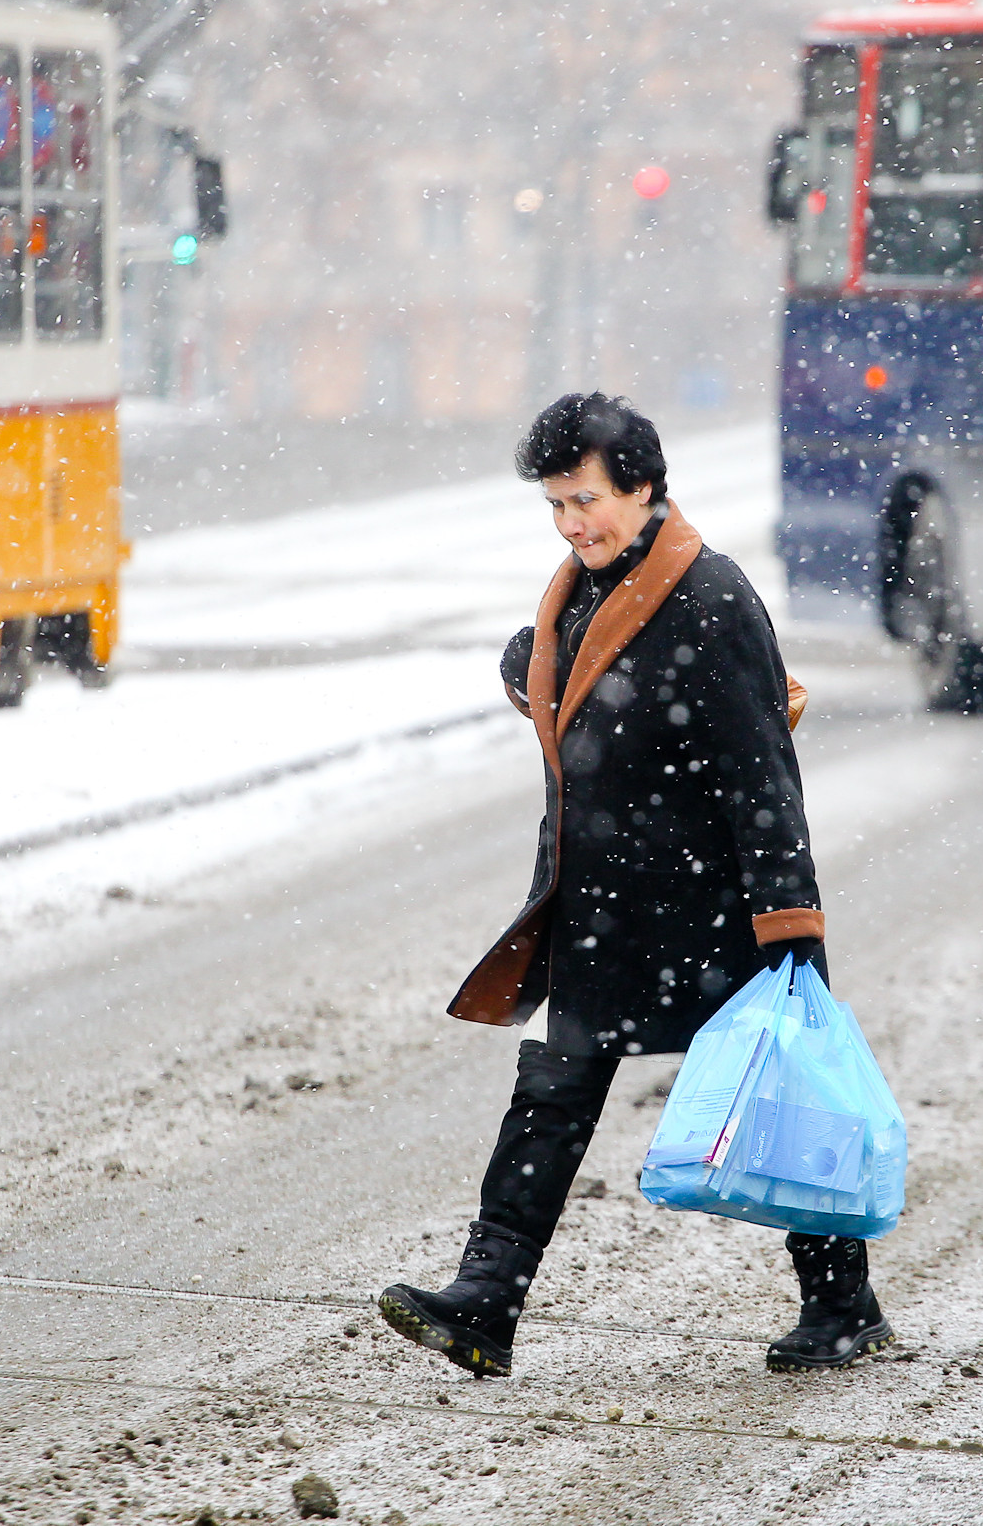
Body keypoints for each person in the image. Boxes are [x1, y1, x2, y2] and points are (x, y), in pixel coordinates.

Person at [377, 392, 896, 1378]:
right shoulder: (578, 589)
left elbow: (760, 773)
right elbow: (588, 695)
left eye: (587, 499)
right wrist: (533, 670)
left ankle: (841, 1300)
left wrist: (788, 920)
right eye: (557, 506)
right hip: (602, 907)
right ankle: (485, 1300)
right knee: (553, 1089)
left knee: (772, 1093)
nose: (573, 523)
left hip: (704, 909)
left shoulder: (712, 597)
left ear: (644, 485)